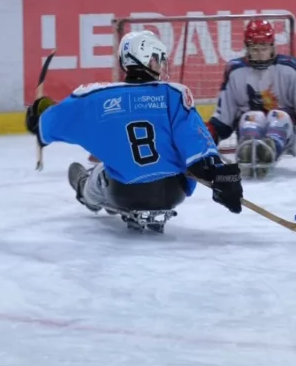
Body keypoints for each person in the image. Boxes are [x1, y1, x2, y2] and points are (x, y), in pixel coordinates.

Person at [24, 30, 244, 233]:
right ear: (149, 59)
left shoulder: (94, 97)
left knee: (102, 171)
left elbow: (48, 123)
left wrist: (39, 118)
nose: (160, 65)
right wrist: (220, 177)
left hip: (123, 192)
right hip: (172, 191)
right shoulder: (174, 95)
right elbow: (198, 152)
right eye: (158, 59)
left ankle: (85, 190)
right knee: (118, 166)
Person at [206, 19, 296, 177]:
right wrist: (210, 132)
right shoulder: (235, 71)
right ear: (247, 48)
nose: (259, 54)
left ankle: (269, 150)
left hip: (284, 133)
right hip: (247, 127)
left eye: (264, 48)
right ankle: (250, 150)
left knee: (278, 116)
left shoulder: (290, 68)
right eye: (255, 49)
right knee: (253, 116)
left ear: (272, 47)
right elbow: (225, 116)